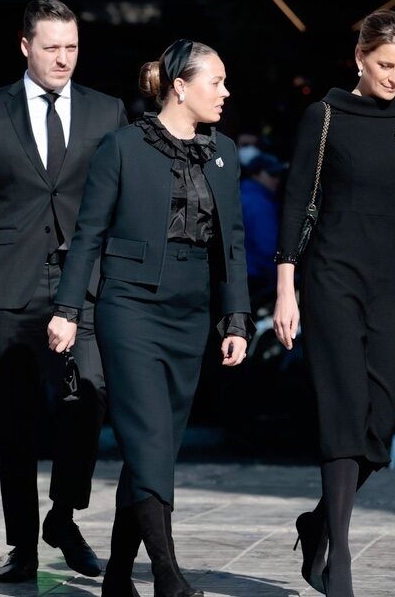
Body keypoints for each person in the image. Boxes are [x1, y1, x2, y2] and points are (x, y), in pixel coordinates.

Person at [48, 39, 253, 597]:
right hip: (130, 308)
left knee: (153, 448)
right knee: (148, 438)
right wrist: (67, 310)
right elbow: (88, 235)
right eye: (217, 81)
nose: (226, 92)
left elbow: (232, 241)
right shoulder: (122, 147)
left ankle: (118, 577)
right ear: (180, 86)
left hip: (192, 314)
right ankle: (167, 572)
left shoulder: (224, 152)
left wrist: (236, 317)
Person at [0, 0, 127, 583]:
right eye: (51, 47)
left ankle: (63, 515)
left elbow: (123, 201)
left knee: (90, 398)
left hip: (86, 284)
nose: (63, 58)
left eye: (71, 46)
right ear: (24, 45)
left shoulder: (107, 112)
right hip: (10, 284)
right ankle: (24, 544)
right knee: (15, 422)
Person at [272, 11, 395, 596]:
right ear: (360, 60)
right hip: (331, 278)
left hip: (389, 285)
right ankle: (338, 558)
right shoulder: (324, 116)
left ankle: (317, 521)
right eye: (385, 65)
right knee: (343, 412)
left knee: (380, 423)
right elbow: (295, 202)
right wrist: (286, 289)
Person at [240, 152, 284, 296]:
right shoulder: (258, 204)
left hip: (241, 273)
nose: (276, 180)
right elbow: (267, 247)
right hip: (256, 276)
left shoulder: (242, 194)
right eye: (272, 175)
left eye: (278, 175)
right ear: (256, 174)